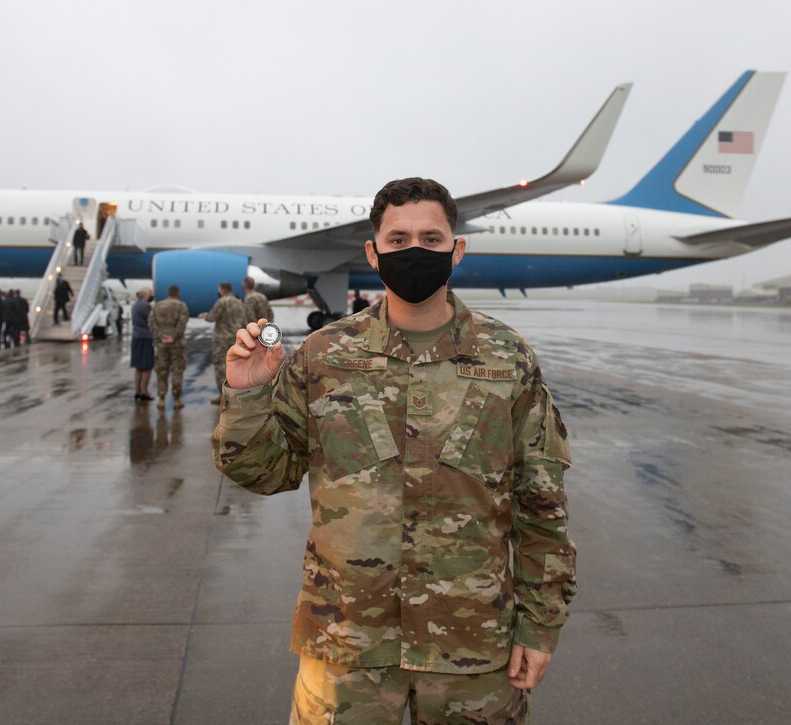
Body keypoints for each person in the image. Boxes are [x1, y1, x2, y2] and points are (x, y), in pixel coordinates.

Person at [212, 178, 575, 723]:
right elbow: (265, 473)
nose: (415, 252)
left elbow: (541, 506)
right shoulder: (324, 355)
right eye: (399, 239)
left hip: (471, 650)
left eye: (431, 239)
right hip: (345, 649)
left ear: (457, 250)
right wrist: (246, 395)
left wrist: (539, 624)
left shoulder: (508, 359)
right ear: (373, 252)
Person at [198, 281, 252, 405]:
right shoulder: (239, 303)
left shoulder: (222, 301)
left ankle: (223, 396)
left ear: (222, 290)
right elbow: (245, 321)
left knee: (221, 367)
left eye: (219, 290)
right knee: (236, 366)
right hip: (235, 340)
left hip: (222, 340)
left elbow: (212, 317)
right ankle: (237, 394)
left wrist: (204, 316)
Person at [148, 285, 189, 410]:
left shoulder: (157, 306)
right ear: (178, 293)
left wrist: (160, 336)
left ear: (168, 293)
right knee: (177, 370)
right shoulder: (181, 306)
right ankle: (176, 399)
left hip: (161, 345)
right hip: (177, 345)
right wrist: (174, 336)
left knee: (162, 371)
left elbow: (151, 322)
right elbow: (182, 323)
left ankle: (161, 399)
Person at [130, 288, 155, 401]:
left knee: (139, 367)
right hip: (146, 337)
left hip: (136, 337)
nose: (152, 296)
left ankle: (137, 391)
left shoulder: (135, 305)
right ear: (146, 295)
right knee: (147, 367)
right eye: (150, 294)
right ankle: (144, 391)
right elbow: (152, 321)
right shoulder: (146, 306)